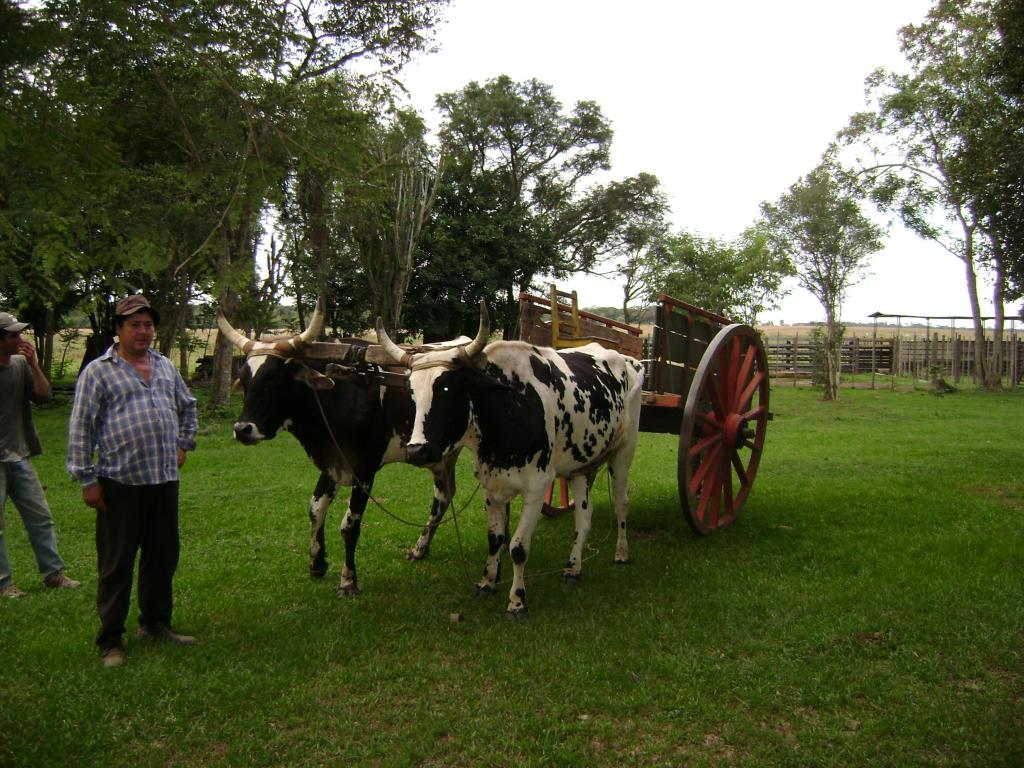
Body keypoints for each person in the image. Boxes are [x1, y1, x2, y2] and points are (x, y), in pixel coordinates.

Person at [67, 294, 198, 668]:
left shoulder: (164, 366)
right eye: (134, 325)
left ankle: (155, 623)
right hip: (119, 483)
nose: (143, 332)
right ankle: (110, 639)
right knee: (117, 563)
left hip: (163, 480)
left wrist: (183, 443)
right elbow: (81, 428)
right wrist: (87, 480)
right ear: (118, 330)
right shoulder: (98, 371)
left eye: (148, 325)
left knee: (162, 556)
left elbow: (187, 406)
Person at [0, 312, 81, 598]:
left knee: (40, 516)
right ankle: (4, 584)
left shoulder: (21, 365)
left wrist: (34, 364)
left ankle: (53, 574)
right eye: (13, 335)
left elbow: (44, 396)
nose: (20, 340)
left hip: (19, 455)